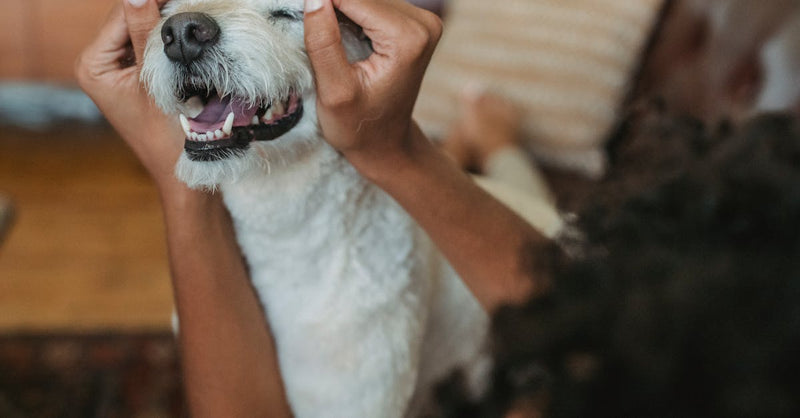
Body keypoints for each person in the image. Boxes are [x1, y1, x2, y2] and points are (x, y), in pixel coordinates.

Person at [76, 0, 552, 416]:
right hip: (503, 216)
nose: (184, 31)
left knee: (535, 213)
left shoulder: (373, 299)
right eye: (177, 14)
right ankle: (488, 143)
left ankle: (488, 142)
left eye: (284, 13)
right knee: (500, 190)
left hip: (532, 278)